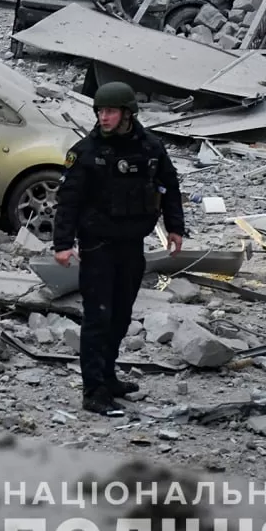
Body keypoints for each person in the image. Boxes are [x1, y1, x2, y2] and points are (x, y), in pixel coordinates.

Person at [52, 82, 185, 416]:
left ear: (127, 113)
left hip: (131, 246)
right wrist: (63, 244)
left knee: (121, 317)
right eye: (99, 111)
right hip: (98, 246)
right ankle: (93, 390)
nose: (104, 117)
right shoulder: (86, 152)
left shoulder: (150, 148)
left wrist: (175, 227)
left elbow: (169, 186)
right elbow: (67, 201)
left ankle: (108, 376)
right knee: (98, 317)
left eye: (110, 111)